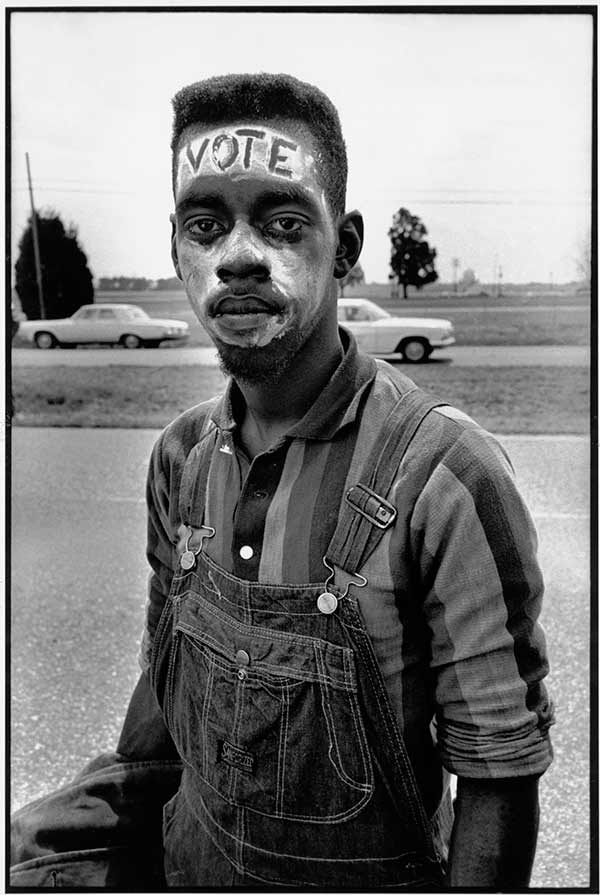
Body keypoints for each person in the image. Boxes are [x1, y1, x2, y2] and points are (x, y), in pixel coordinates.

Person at [11, 72, 554, 889]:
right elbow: (167, 687)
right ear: (176, 248)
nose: (236, 256)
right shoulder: (179, 458)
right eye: (205, 223)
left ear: (345, 244)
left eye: (283, 220)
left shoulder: (446, 476)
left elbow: (500, 778)